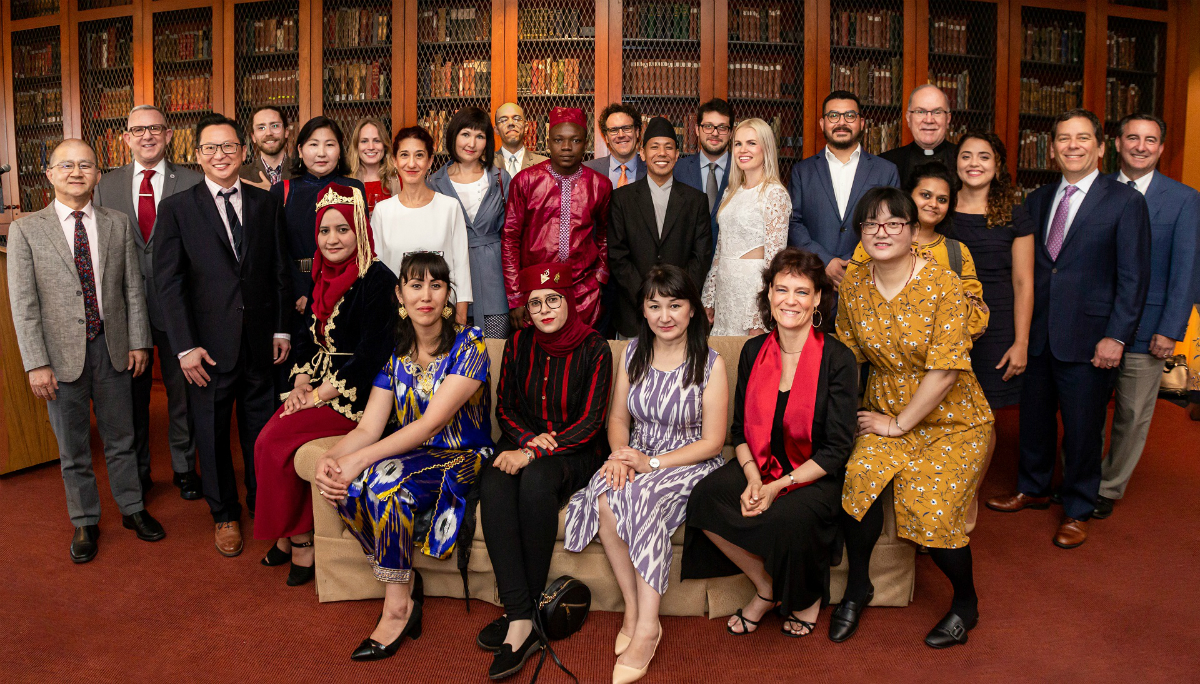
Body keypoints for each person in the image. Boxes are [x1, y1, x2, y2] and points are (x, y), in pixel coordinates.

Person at [833, 187, 994, 648]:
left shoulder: (944, 283)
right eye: (871, 225)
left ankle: (966, 604)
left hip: (953, 418)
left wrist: (899, 425)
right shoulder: (856, 285)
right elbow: (847, 356)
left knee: (931, 505)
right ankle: (858, 586)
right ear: (861, 233)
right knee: (859, 476)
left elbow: (945, 371)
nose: (882, 233)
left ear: (913, 230)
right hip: (884, 407)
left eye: (893, 224)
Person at [313, 252, 492, 662]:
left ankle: (397, 608)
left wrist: (361, 461)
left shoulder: (471, 342)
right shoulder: (396, 357)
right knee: (347, 481)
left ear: (448, 293)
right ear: (400, 294)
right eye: (415, 285)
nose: (425, 295)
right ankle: (404, 581)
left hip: (464, 455)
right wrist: (335, 458)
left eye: (436, 285)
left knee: (383, 483)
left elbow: (430, 425)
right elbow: (367, 429)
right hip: (414, 453)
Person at [987, 109, 1151, 549]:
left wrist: (1116, 337)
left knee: (1082, 429)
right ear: (1054, 147)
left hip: (1091, 337)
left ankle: (1078, 507)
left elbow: (1134, 277)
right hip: (1039, 334)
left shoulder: (1125, 201)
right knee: (1035, 420)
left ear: (1100, 146)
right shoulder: (1038, 200)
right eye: (1063, 139)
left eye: (1082, 138)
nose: (1072, 146)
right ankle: (1033, 487)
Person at [563, 265, 726, 683]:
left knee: (639, 495)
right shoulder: (632, 352)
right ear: (644, 311)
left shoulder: (710, 363)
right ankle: (632, 607)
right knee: (604, 495)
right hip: (637, 454)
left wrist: (651, 464)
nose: (665, 315)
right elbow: (617, 418)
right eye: (655, 306)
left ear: (693, 310)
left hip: (689, 462)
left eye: (675, 305)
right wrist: (620, 455)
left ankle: (648, 627)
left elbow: (712, 441)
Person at [685, 247, 856, 640]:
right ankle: (766, 586)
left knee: (786, 517)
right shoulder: (752, 351)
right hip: (759, 465)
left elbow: (836, 450)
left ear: (817, 300)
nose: (790, 300)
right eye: (781, 290)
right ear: (769, 296)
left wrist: (777, 485)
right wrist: (751, 479)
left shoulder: (838, 359)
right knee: (704, 497)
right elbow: (740, 432)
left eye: (801, 292)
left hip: (814, 475)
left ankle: (807, 598)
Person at [7, 138, 165, 563]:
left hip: (113, 349)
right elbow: (23, 304)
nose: (76, 172)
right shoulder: (26, 229)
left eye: (86, 165)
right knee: (73, 446)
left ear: (98, 174)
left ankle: (133, 509)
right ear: (50, 174)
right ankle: (84, 519)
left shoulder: (116, 222)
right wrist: (36, 363)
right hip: (58, 359)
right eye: (66, 165)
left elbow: (133, 287)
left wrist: (138, 341)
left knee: (123, 437)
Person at [155, 114, 293, 557]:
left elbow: (277, 272)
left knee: (261, 429)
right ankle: (224, 514)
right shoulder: (177, 209)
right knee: (211, 433)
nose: (220, 155)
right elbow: (169, 284)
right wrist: (184, 347)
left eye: (228, 147)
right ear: (197, 156)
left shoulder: (266, 203)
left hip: (259, 342)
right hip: (205, 349)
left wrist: (280, 329)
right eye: (210, 148)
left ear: (243, 151)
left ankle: (261, 502)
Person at [253, 183, 397, 586]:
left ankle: (300, 542)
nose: (332, 239)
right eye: (324, 231)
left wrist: (316, 396)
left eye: (342, 230)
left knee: (272, 440)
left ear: (360, 232)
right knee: (268, 439)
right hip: (320, 385)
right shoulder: (320, 274)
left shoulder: (377, 279)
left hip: (362, 396)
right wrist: (300, 382)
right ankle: (292, 535)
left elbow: (372, 356)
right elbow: (306, 337)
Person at [477, 262, 612, 681]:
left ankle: (522, 617)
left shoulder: (595, 347)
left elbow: (591, 422)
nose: (545, 309)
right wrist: (528, 443)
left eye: (553, 299)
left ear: (569, 301)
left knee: (534, 482)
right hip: (523, 440)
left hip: (575, 451)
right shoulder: (518, 345)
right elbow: (506, 408)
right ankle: (522, 616)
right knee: (495, 482)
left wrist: (534, 455)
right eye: (536, 303)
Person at [93, 104, 204, 500]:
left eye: (155, 129)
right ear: (126, 138)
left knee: (183, 393)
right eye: (138, 130)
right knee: (131, 397)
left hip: (178, 304)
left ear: (169, 134)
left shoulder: (192, 180)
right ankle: (139, 471)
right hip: (124, 308)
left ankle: (183, 467)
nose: (147, 136)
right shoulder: (106, 184)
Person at [1095, 114, 1198, 518]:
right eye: (1132, 137)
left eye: (1150, 140)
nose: (1141, 146)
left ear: (1160, 148)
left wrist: (1171, 329)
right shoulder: (1095, 190)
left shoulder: (1185, 199)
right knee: (1084, 409)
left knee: (1132, 415)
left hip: (1149, 329)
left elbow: (1187, 269)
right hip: (1095, 323)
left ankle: (1107, 487)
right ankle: (1080, 478)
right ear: (1116, 143)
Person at [948, 132, 1035, 530]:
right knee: (943, 411)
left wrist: (1021, 342)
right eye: (966, 156)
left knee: (982, 418)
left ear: (998, 165)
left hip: (997, 326)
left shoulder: (1014, 214)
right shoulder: (942, 207)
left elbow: (1023, 282)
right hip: (945, 325)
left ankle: (968, 498)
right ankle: (943, 487)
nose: (974, 163)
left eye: (984, 156)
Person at [848, 161, 990, 341]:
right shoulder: (878, 241)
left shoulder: (956, 251)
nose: (933, 204)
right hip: (882, 352)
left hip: (946, 354)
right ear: (908, 197)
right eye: (925, 195)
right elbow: (853, 299)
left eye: (942, 199)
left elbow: (977, 318)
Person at [502, 106, 612, 330]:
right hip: (534, 291)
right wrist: (515, 298)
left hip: (583, 292)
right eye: (559, 140)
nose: (566, 147)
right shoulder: (525, 181)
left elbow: (605, 235)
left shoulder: (600, 184)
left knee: (581, 360)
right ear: (548, 141)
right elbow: (510, 239)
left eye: (575, 140)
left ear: (586, 143)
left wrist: (599, 279)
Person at [608, 117, 712, 339]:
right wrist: (647, 297)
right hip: (633, 314)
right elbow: (617, 255)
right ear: (643, 154)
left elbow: (701, 256)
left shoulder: (696, 201)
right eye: (654, 147)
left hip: (680, 315)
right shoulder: (621, 198)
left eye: (669, 147)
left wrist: (674, 298)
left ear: (677, 155)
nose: (662, 153)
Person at [787, 91, 900, 288]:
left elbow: (893, 223)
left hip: (870, 280)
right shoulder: (802, 172)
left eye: (850, 116)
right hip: (815, 280)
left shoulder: (886, 170)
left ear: (862, 123)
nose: (842, 122)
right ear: (822, 123)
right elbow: (793, 222)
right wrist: (825, 260)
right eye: (833, 116)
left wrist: (854, 261)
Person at [270, 116, 365, 336]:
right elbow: (276, 251)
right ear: (301, 150)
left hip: (342, 292)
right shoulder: (282, 191)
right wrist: (302, 292)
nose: (321, 152)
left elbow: (359, 247)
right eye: (313, 144)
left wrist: (323, 293)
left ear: (340, 150)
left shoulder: (353, 189)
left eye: (329, 144)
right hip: (293, 295)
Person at [371, 125, 471, 325]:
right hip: (395, 317)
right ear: (394, 161)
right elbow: (377, 273)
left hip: (441, 315)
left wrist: (459, 321)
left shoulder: (449, 208)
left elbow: (461, 267)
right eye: (404, 155)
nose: (411, 163)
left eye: (419, 155)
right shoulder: (383, 211)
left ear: (430, 161)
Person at [701, 117, 790, 336]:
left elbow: (774, 260)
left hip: (752, 292)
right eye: (738, 143)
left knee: (748, 362)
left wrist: (759, 312)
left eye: (751, 143)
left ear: (765, 148)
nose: (743, 149)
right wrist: (709, 296)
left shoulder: (774, 193)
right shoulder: (731, 192)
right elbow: (720, 251)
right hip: (725, 290)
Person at [428, 107, 512, 337]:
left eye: (480, 136)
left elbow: (512, 235)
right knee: (453, 357)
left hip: (494, 281)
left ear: (487, 142)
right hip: (449, 281)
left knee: (494, 354)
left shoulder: (500, 179)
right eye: (465, 134)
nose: (471, 143)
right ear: (453, 135)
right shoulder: (434, 183)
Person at [674, 99, 734, 247]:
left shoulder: (743, 171)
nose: (715, 133)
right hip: (687, 263)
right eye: (708, 126)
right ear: (696, 130)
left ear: (731, 133)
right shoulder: (678, 169)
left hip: (729, 261)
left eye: (722, 127)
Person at [879, 85, 959, 187]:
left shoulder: (963, 161)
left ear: (948, 119)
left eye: (937, 112)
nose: (929, 120)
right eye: (920, 112)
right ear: (908, 118)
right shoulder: (887, 163)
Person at [585, 102, 645, 188]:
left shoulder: (652, 170)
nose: (621, 135)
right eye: (614, 130)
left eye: (627, 128)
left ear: (637, 132)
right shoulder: (588, 170)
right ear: (606, 137)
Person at [348, 117, 400, 215]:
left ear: (384, 145)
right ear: (356, 146)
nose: (371, 147)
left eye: (377, 141)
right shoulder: (345, 183)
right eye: (364, 141)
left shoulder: (398, 180)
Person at [240, 105, 294, 189]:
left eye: (275, 126)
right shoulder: (241, 175)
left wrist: (273, 190)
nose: (268, 133)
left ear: (286, 132)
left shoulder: (303, 172)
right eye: (261, 128)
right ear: (253, 136)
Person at [494, 102, 547, 176]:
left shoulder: (544, 165)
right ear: (496, 130)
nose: (511, 123)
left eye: (517, 119)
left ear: (526, 128)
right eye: (503, 120)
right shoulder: (485, 165)